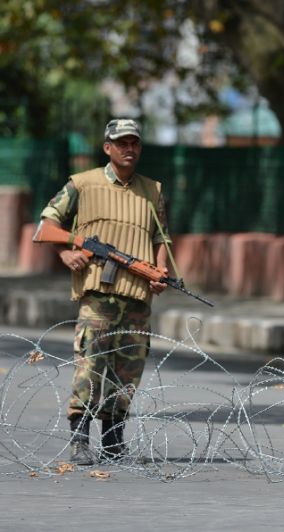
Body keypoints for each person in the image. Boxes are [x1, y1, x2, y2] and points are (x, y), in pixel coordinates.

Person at [39, 119, 171, 465]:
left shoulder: (153, 190)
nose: (129, 148)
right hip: (98, 294)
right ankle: (80, 440)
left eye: (135, 143)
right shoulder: (82, 184)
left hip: (138, 296)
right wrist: (66, 252)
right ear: (107, 147)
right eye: (121, 142)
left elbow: (161, 239)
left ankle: (113, 443)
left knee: (128, 371)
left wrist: (161, 272)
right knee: (91, 366)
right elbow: (47, 225)